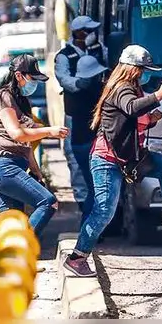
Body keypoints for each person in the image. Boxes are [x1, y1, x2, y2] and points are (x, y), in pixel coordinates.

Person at [62, 45, 162, 278]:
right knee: (104, 211)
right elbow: (131, 109)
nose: (145, 74)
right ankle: (77, 258)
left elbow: (129, 122)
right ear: (132, 70)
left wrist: (151, 120)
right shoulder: (122, 88)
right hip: (107, 160)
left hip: (129, 157)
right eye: (142, 70)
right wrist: (158, 96)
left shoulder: (131, 88)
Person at [0, 54, 69, 237]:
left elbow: (25, 144)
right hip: (2, 166)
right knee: (48, 202)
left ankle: (13, 262)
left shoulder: (19, 100)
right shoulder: (3, 98)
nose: (35, 84)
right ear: (19, 76)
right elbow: (17, 133)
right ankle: (23, 248)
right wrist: (49, 131)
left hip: (12, 166)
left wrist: (36, 170)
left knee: (13, 224)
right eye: (32, 79)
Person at [54, 15, 108, 214]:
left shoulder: (98, 51)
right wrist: (81, 83)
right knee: (76, 161)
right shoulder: (64, 56)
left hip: (97, 113)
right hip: (75, 114)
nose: (92, 35)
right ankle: (84, 203)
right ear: (80, 33)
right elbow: (64, 79)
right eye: (89, 31)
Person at [70, 55, 109, 221]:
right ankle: (88, 225)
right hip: (89, 145)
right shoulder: (94, 91)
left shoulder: (73, 90)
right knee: (95, 189)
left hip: (78, 144)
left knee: (92, 187)